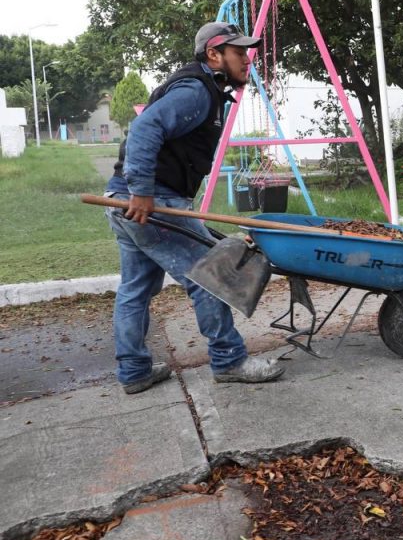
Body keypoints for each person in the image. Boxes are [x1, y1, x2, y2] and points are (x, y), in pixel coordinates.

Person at [104, 21, 285, 394]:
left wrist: (135, 193)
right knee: (210, 275)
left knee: (136, 288)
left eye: (247, 53)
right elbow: (144, 128)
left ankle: (134, 371)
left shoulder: (205, 90)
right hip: (150, 204)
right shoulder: (196, 91)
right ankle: (229, 360)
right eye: (238, 53)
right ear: (213, 55)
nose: (246, 60)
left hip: (125, 201)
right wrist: (142, 191)